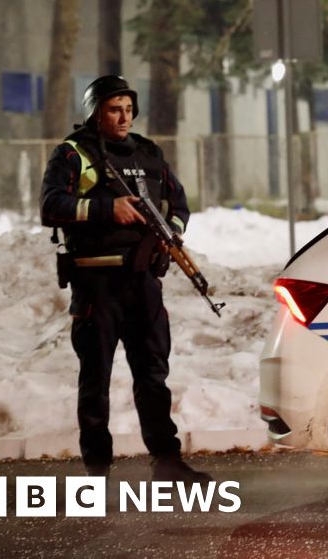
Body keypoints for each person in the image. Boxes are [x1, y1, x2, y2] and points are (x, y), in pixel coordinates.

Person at [40, 75, 211, 483]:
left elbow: (179, 204)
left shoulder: (148, 153)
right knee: (95, 378)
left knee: (153, 375)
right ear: (95, 112)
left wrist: (170, 231)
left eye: (129, 109)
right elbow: (51, 205)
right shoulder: (73, 153)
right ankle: (97, 469)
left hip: (142, 283)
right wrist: (107, 209)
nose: (124, 117)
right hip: (96, 284)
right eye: (114, 109)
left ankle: (167, 461)